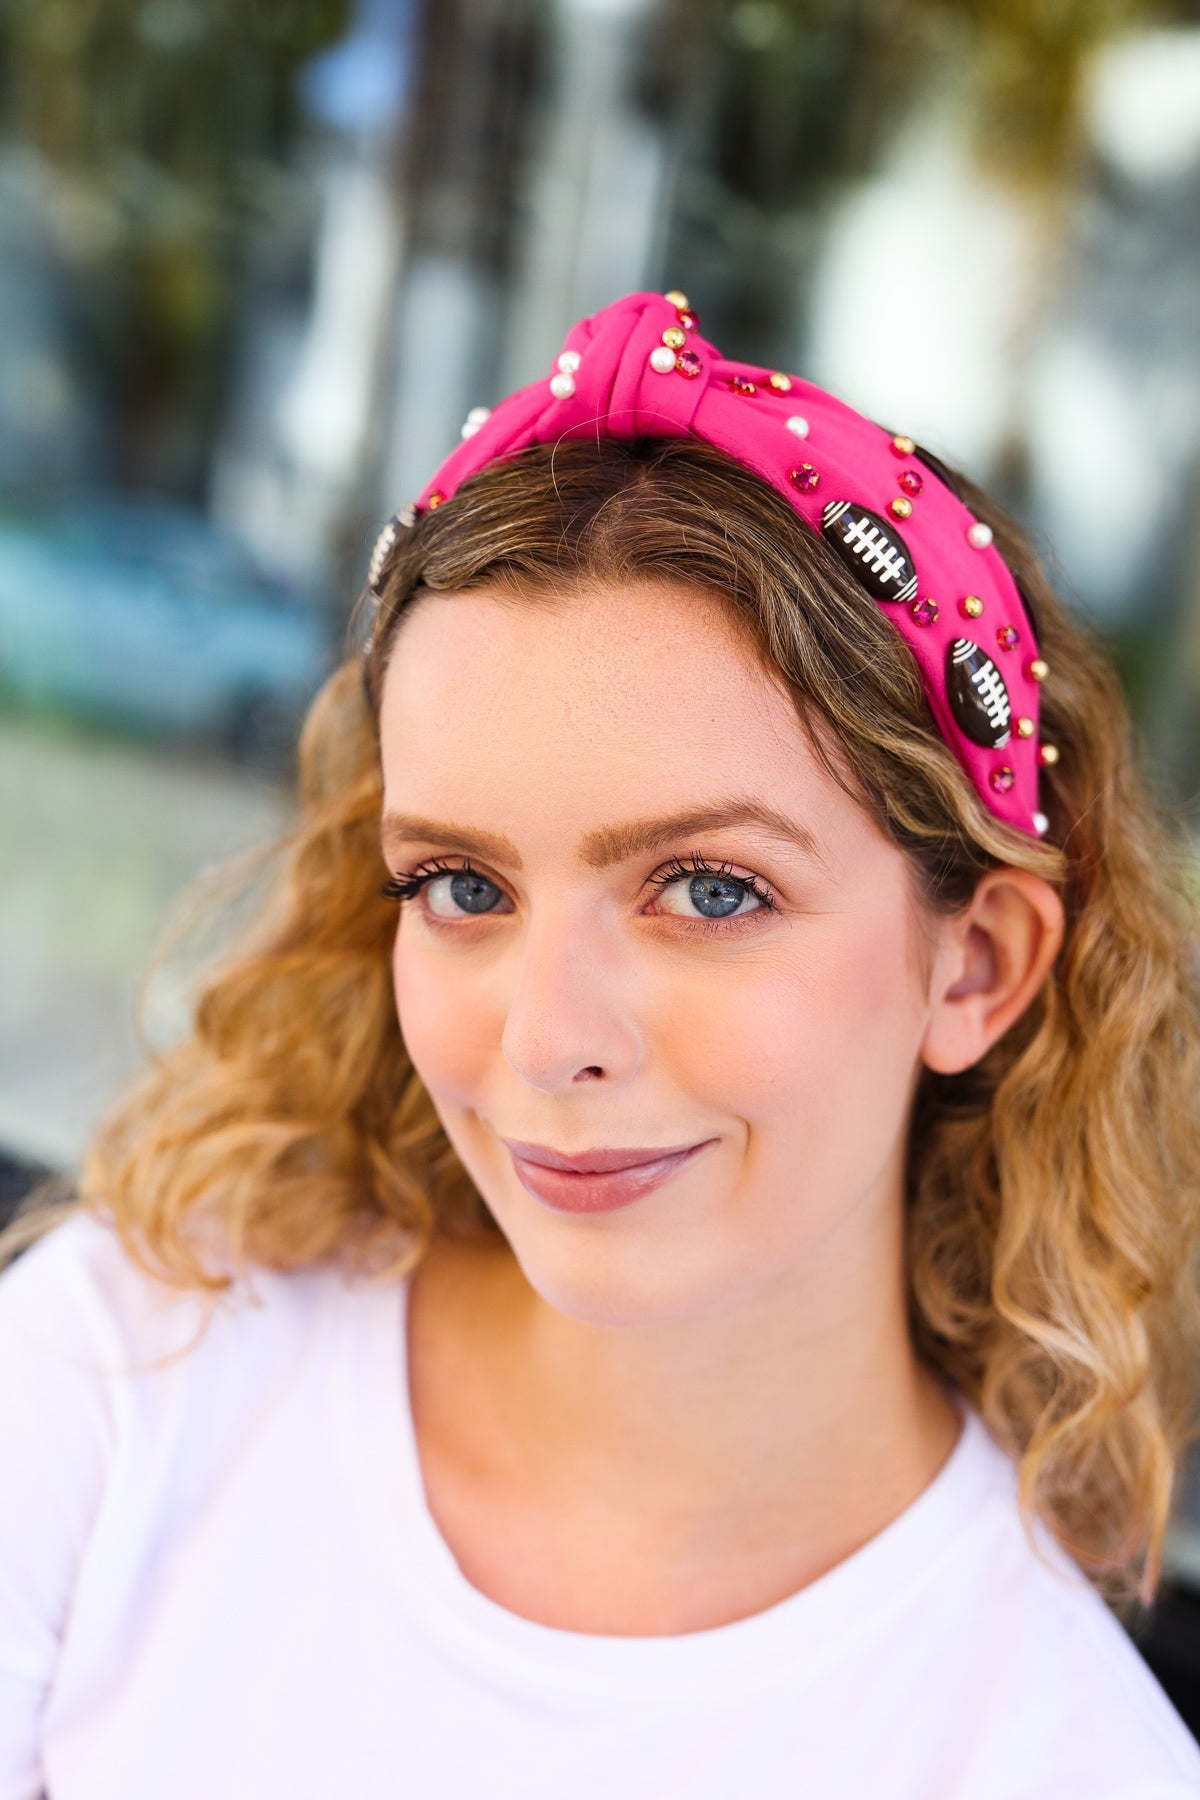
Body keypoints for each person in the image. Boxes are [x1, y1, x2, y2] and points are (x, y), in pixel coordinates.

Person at [2, 289, 1200, 1798]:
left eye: (709, 890)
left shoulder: (1061, 1755)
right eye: (461, 886)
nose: (547, 1034)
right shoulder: (131, 1370)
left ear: (976, 964)